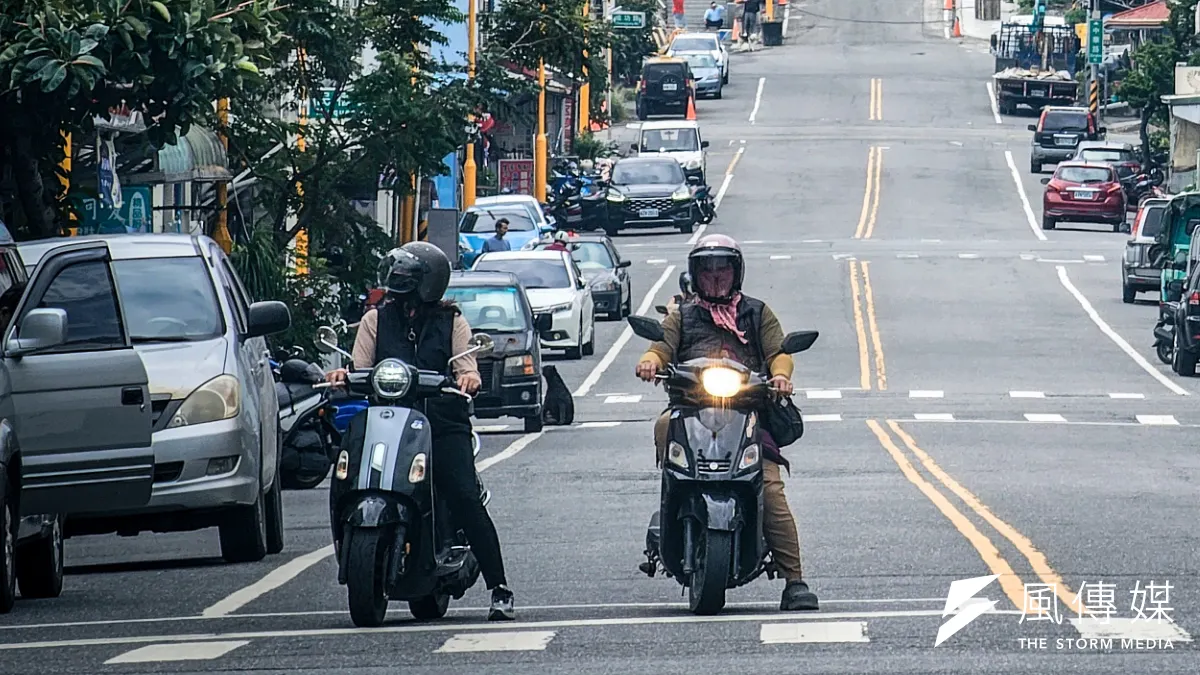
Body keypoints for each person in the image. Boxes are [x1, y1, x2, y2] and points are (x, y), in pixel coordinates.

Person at [325, 242, 516, 621]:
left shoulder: (453, 321)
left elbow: (466, 363)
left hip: (442, 423)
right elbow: (360, 366)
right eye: (395, 277)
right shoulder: (375, 320)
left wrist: (468, 377)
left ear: (427, 283)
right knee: (350, 478)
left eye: (406, 279)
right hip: (387, 422)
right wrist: (342, 376)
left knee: (463, 495)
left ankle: (500, 588)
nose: (398, 285)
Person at [634, 234, 819, 611]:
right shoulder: (682, 315)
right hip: (690, 413)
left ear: (737, 273)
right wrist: (650, 361)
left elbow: (779, 353)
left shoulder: (757, 312)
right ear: (695, 274)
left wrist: (781, 376)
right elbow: (660, 346)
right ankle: (672, 515)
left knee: (770, 488)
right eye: (707, 269)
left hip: (747, 415)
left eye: (723, 268)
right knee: (662, 427)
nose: (716, 276)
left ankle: (795, 580)